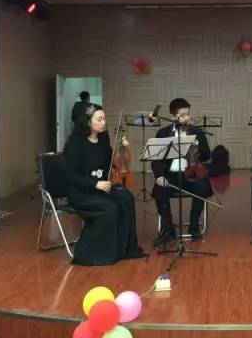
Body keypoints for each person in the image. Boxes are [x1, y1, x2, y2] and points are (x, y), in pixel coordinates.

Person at [63, 105, 144, 266]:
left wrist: (121, 149)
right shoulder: (76, 143)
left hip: (101, 188)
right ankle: (97, 253)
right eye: (99, 119)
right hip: (81, 193)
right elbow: (70, 175)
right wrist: (95, 183)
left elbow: (111, 163)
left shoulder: (103, 139)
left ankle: (124, 249)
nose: (103, 122)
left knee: (126, 197)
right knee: (109, 207)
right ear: (88, 122)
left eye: (104, 119)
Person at [152, 98, 213, 246]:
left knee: (202, 186)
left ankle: (194, 226)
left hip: (191, 174)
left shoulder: (197, 132)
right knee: (159, 190)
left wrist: (197, 145)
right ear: (173, 116)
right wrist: (160, 176)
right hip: (171, 175)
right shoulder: (163, 133)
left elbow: (207, 155)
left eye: (188, 114)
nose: (187, 118)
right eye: (183, 115)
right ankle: (168, 229)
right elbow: (156, 160)